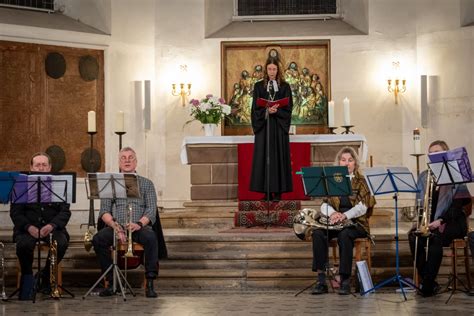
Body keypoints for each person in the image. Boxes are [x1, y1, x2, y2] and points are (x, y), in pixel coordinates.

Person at [92, 147, 159, 298]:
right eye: (123, 158)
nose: (127, 160)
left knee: (151, 237)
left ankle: (150, 283)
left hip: (138, 226)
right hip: (117, 227)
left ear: (136, 162)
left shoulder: (147, 183)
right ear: (119, 162)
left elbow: (151, 210)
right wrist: (115, 226)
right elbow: (104, 210)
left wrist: (139, 224)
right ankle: (112, 282)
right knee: (98, 239)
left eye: (130, 158)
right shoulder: (110, 184)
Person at [408, 140, 472, 297]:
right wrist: (422, 222)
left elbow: (458, 207)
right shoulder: (425, 176)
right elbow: (420, 204)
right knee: (413, 237)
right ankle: (430, 282)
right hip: (431, 222)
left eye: (437, 152)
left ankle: (427, 285)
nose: (433, 155)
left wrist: (440, 221)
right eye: (431, 153)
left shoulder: (455, 174)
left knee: (435, 238)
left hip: (453, 222)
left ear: (446, 155)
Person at [311, 146, 376, 295]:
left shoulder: (362, 181)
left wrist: (345, 216)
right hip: (335, 221)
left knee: (345, 235)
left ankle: (345, 280)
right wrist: (333, 213)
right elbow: (324, 204)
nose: (346, 163)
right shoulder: (331, 180)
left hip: (356, 223)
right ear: (338, 162)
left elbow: (363, 206)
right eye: (343, 160)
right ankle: (321, 280)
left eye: (350, 160)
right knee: (317, 233)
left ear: (355, 163)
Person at [10, 152, 71, 299]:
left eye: (44, 165)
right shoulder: (20, 185)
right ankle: (28, 278)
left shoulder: (59, 184)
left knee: (61, 242)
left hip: (51, 229)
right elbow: (15, 213)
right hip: (27, 229)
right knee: (23, 245)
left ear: (50, 167)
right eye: (38, 165)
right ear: (31, 167)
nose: (41, 168)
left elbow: (65, 212)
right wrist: (29, 227)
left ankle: (45, 276)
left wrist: (52, 225)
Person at [249, 57, 294, 201]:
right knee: (265, 158)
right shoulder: (258, 86)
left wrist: (277, 111)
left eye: (274, 69)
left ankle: (279, 192)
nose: (272, 72)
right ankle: (266, 192)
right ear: (266, 70)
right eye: (269, 69)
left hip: (279, 128)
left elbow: (289, 108)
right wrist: (267, 111)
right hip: (264, 127)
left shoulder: (285, 87)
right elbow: (255, 109)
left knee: (279, 158)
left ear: (278, 70)